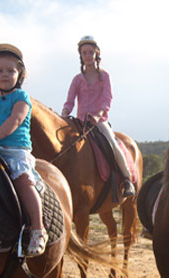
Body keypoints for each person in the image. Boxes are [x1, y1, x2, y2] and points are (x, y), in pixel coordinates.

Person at [0, 43, 47, 257]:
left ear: (20, 74)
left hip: (15, 150)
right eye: (0, 71)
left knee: (23, 181)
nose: (5, 75)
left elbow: (15, 119)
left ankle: (38, 229)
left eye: (11, 71)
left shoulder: (21, 97)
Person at [61, 35, 135, 197]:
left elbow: (107, 99)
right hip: (80, 122)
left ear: (96, 54)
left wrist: (99, 115)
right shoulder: (77, 80)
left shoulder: (104, 76)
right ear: (81, 56)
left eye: (90, 52)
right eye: (84, 53)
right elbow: (70, 101)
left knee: (113, 145)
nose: (87, 56)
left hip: (99, 122)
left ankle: (127, 179)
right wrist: (64, 113)